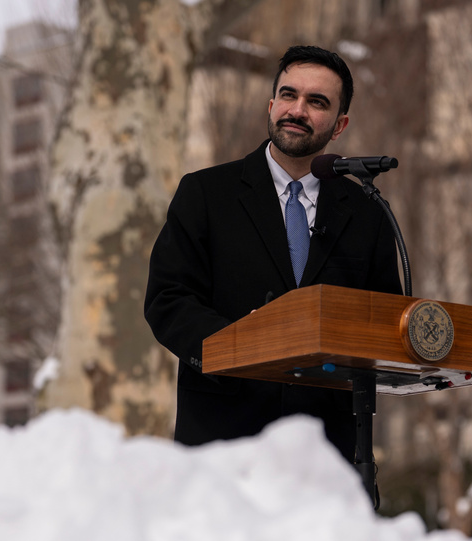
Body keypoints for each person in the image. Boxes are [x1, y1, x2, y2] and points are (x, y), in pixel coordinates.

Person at [144, 45, 402, 459]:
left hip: (327, 453)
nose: (297, 110)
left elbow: (387, 321)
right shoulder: (206, 193)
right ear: (271, 104)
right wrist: (239, 346)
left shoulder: (369, 213)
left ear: (339, 125)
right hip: (222, 444)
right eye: (288, 95)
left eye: (317, 102)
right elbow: (167, 300)